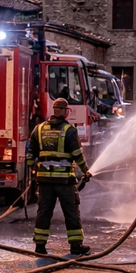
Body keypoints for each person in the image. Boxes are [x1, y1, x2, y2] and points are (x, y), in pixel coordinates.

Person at [30, 97, 92, 255]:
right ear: (64, 111)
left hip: (44, 181)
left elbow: (30, 153)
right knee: (71, 212)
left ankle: (40, 246)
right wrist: (86, 171)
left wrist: (34, 168)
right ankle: (76, 246)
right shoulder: (69, 130)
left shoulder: (39, 129)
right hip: (64, 181)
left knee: (44, 212)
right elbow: (77, 154)